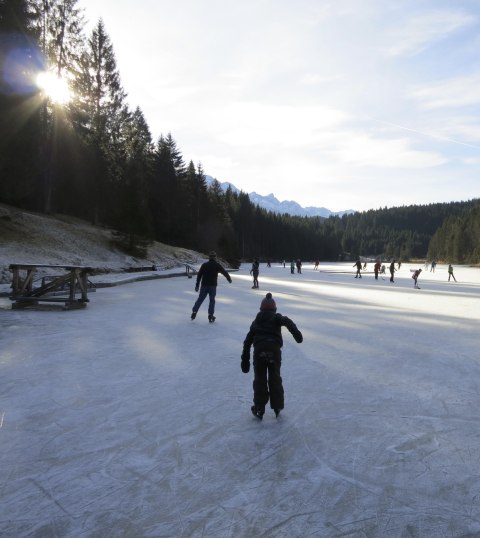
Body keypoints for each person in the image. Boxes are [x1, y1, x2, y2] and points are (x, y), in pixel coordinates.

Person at [241, 293, 303, 419]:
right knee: (275, 377)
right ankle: (277, 406)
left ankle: (259, 407)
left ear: (261, 309)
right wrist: (296, 334)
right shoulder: (276, 317)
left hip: (259, 352)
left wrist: (245, 360)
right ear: (274, 309)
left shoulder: (256, 322)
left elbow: (247, 341)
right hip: (274, 351)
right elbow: (287, 321)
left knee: (260, 379)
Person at [191, 251, 232, 322]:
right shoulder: (217, 265)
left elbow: (199, 276)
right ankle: (210, 315)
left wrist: (197, 285)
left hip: (204, 286)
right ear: (215, 257)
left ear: (209, 257)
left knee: (200, 299)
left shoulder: (204, 265)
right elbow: (224, 272)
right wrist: (229, 278)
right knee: (212, 301)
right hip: (212, 286)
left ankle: (194, 312)